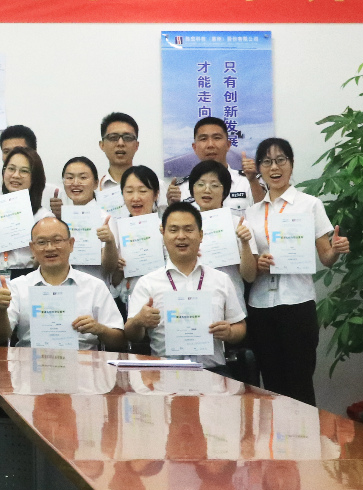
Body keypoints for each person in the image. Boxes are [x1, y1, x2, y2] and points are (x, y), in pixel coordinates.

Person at [244, 138, 349, 405]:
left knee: (300, 383)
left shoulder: (309, 204)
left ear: (291, 164)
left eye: (281, 160)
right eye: (267, 162)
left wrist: (336, 249)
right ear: (259, 169)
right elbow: (249, 268)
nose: (274, 167)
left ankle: (304, 434)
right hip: (261, 306)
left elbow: (326, 258)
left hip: (297, 304)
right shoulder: (252, 212)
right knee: (271, 385)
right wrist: (259, 264)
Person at [124, 202, 247, 371]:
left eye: (188, 229)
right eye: (173, 230)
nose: (181, 236)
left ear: (201, 235)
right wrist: (139, 321)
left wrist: (230, 333)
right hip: (165, 372)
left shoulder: (221, 279)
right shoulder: (148, 283)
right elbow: (131, 334)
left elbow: (240, 326)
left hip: (213, 372)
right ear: (163, 234)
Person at [0, 216, 124, 350]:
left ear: (71, 244)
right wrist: (1, 309)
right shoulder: (18, 286)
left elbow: (119, 340)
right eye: (42, 242)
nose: (50, 248)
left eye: (57, 240)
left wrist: (100, 329)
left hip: (83, 359)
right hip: (30, 359)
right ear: (32, 248)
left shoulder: (94, 286)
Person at [187, 159, 260, 302]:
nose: (207, 190)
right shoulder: (184, 226)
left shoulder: (239, 224)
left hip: (230, 301)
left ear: (225, 191)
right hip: (194, 301)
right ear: (192, 190)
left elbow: (250, 276)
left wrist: (244, 243)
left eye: (214, 185)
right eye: (200, 184)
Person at [164, 117, 264, 215]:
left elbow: (263, 214)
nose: (210, 145)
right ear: (194, 147)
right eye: (203, 139)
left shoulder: (248, 182)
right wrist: (173, 205)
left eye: (217, 138)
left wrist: (253, 181)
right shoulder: (181, 189)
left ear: (228, 145)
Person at [0, 146, 49, 281]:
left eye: (24, 171)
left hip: (30, 277)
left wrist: (40, 253)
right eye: (11, 169)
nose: (16, 175)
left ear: (35, 177)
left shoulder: (44, 218)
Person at [99, 164, 163, 306]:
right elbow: (115, 285)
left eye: (142, 191)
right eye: (129, 191)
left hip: (161, 301)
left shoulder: (166, 230)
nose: (135, 198)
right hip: (128, 304)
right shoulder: (117, 231)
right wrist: (119, 271)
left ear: (156, 194)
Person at [48, 155, 107, 282]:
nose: (75, 183)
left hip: (94, 286)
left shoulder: (104, 218)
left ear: (95, 183)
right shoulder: (59, 220)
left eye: (83, 177)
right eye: (70, 178)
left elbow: (110, 266)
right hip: (63, 286)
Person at [0, 124, 63, 201]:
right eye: (6, 151)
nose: (13, 156)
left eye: (20, 150)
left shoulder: (54, 194)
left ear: (33, 153)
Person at [97, 113, 143, 203]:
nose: (120, 143)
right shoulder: (93, 188)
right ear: (102, 145)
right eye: (113, 137)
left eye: (127, 138)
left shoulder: (155, 185)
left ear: (136, 146)